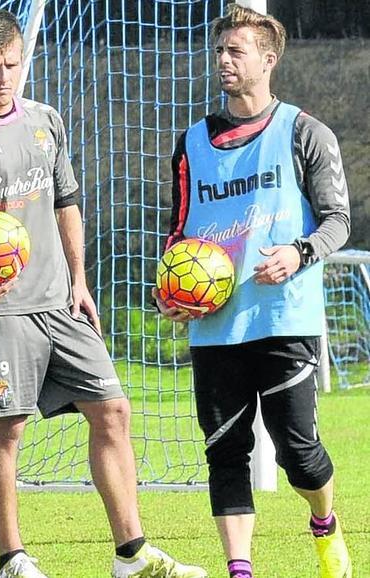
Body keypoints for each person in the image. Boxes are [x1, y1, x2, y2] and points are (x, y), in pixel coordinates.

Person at [0, 8, 208, 578]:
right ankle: (14, 560)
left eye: (13, 64)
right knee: (8, 428)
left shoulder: (46, 121)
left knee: (113, 410)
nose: (4, 76)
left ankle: (132, 555)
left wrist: (80, 279)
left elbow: (65, 202)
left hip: (60, 301)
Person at [153, 5, 352, 578]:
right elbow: (179, 229)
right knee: (225, 451)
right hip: (216, 324)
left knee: (298, 454)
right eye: (220, 50)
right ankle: (240, 568)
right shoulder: (191, 143)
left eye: (236, 51)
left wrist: (298, 253)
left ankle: (323, 522)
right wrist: (170, 288)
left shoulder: (305, 131)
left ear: (268, 60)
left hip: (284, 318)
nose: (223, 60)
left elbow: (337, 219)